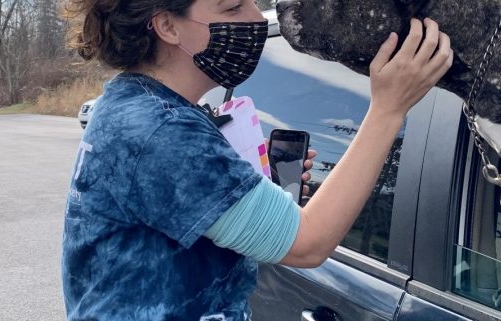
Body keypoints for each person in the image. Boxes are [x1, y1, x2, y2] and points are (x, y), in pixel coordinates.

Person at [60, 0, 453, 319]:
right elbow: (307, 244)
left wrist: (250, 186)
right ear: (168, 27)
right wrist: (388, 108)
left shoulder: (135, 105)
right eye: (233, 9)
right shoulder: (160, 131)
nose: (255, 19)